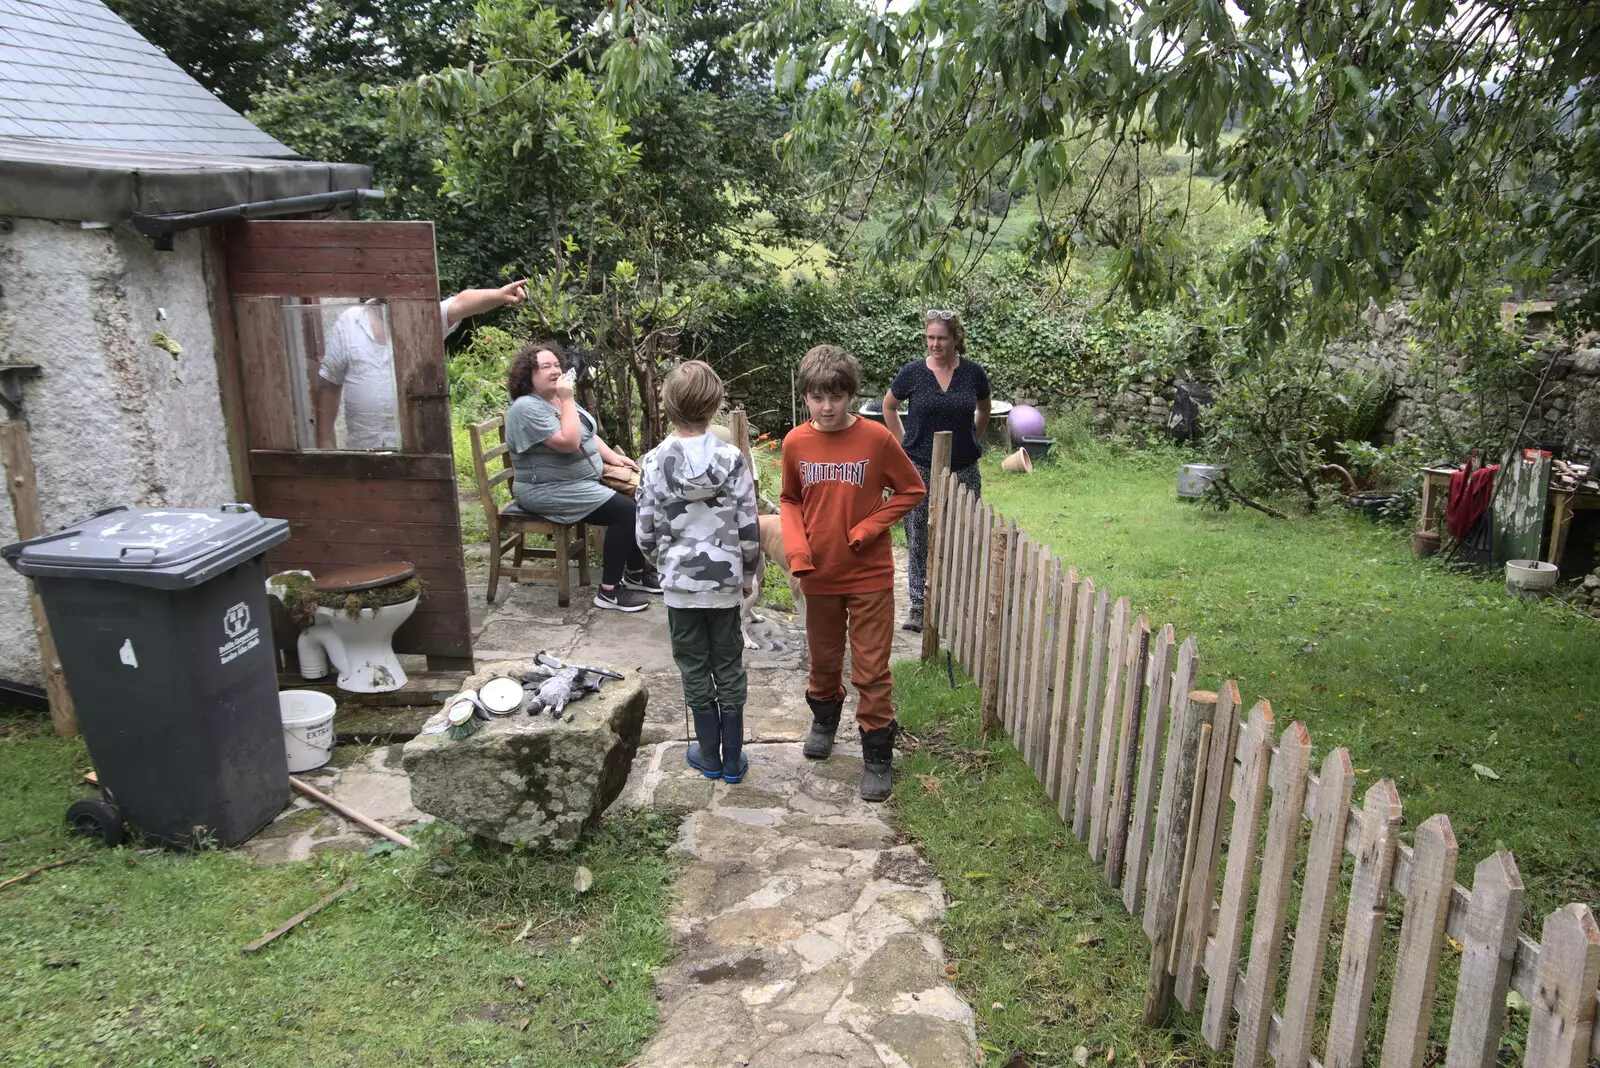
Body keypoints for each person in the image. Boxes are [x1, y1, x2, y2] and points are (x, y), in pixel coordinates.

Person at [781, 344, 925, 801]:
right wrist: (798, 550)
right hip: (818, 574)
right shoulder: (795, 443)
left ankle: (877, 754)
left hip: (869, 577)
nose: (826, 407)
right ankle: (823, 720)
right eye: (817, 397)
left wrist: (867, 526)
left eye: (836, 398)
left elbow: (911, 490)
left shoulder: (877, 440)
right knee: (823, 660)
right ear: (805, 396)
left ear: (851, 396)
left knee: (871, 667)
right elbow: (790, 500)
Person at [636, 361, 762, 783]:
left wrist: (665, 566)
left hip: (680, 590)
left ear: (668, 405)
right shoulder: (732, 459)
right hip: (725, 587)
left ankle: (707, 753)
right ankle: (733, 759)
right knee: (728, 662)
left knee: (692, 663)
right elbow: (748, 525)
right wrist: (746, 574)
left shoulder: (654, 462)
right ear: (716, 404)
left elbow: (645, 531)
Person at [505, 341, 663, 612]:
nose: (555, 371)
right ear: (528, 376)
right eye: (546, 367)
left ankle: (636, 572)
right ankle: (609, 592)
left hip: (580, 481)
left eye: (557, 365)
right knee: (627, 513)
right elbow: (569, 442)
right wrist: (567, 399)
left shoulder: (555, 399)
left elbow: (587, 433)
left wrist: (613, 457)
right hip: (547, 488)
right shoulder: (526, 408)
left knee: (640, 498)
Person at [315, 280, 531, 449]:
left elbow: (459, 303)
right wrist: (324, 440)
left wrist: (499, 295)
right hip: (362, 447)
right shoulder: (350, 320)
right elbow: (330, 383)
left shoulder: (420, 316)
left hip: (414, 449)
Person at [882, 309, 991, 633]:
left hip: (964, 467)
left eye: (941, 338)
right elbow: (889, 405)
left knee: (964, 533)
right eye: (930, 338)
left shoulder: (973, 373)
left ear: (956, 338)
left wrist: (974, 436)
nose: (934, 344)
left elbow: (984, 407)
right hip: (919, 466)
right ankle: (918, 603)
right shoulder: (913, 372)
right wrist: (904, 445)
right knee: (918, 534)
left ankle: (957, 603)